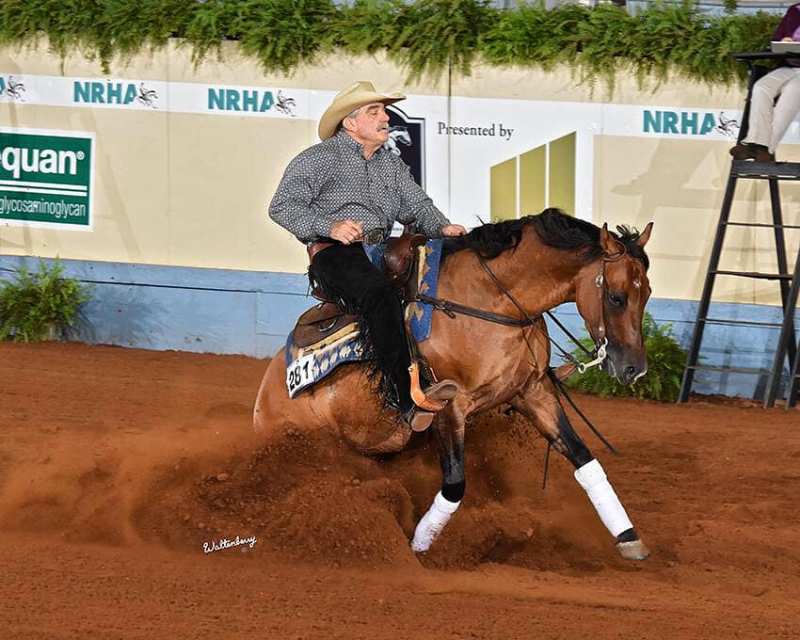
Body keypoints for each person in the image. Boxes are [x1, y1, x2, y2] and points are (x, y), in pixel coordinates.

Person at [269, 81, 467, 428]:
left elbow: (418, 206)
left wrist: (443, 227)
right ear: (350, 123)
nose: (385, 117)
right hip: (336, 253)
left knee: (452, 281)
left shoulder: (390, 164)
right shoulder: (319, 159)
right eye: (374, 111)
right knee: (379, 295)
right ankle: (406, 398)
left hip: (383, 251)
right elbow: (282, 206)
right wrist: (330, 226)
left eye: (384, 110)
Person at [731, 3, 800, 162]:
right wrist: (784, 40)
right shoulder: (794, 10)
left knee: (793, 91)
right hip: (789, 66)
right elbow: (776, 40)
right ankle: (756, 142)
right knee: (761, 87)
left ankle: (765, 148)